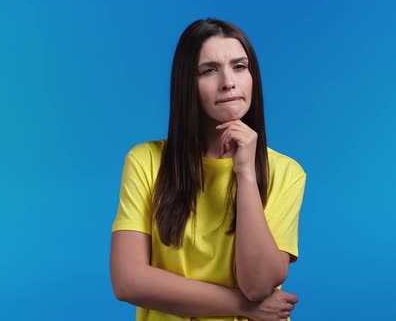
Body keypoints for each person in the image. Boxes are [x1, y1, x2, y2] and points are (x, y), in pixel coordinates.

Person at [110, 18, 306, 321]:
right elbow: (128, 281)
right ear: (187, 83)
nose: (228, 81)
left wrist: (246, 173)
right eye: (210, 70)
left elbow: (258, 284)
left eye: (240, 67)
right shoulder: (146, 161)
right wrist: (243, 308)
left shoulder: (286, 172)